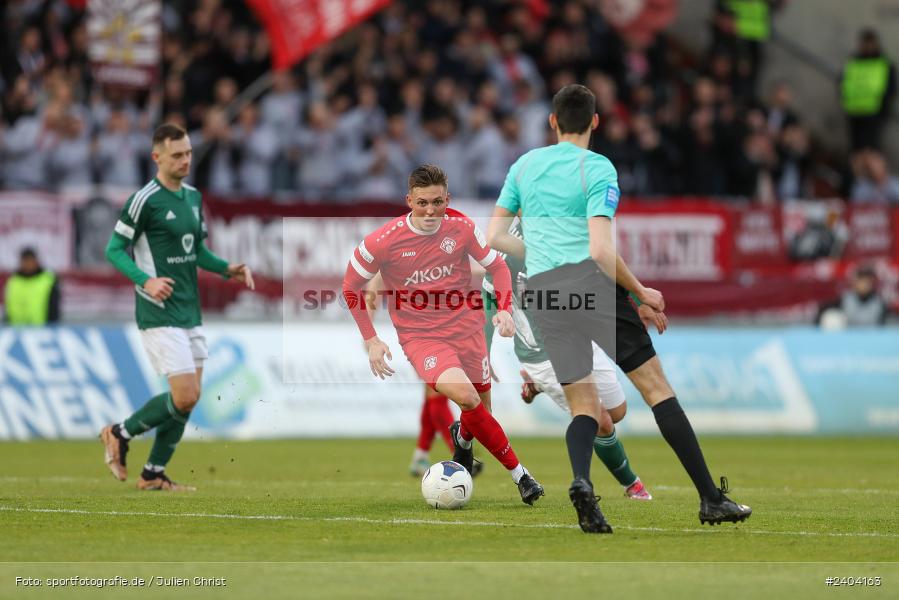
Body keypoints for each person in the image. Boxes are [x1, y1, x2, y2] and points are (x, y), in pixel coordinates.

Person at [487, 84, 751, 532]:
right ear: (595, 121)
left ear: (552, 121)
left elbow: (494, 236)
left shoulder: (524, 165)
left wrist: (542, 255)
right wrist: (641, 292)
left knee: (584, 406)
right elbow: (600, 251)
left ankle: (582, 484)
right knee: (656, 389)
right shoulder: (598, 168)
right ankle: (710, 498)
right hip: (590, 284)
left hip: (546, 292)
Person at [342, 164, 544, 505]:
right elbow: (350, 287)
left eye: (437, 202)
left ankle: (462, 439)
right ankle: (521, 475)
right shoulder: (383, 241)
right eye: (422, 203)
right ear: (409, 200)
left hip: (468, 329)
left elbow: (497, 266)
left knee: (480, 412)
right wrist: (371, 338)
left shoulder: (461, 227)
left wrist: (505, 309)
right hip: (423, 338)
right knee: (468, 398)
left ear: (447, 199)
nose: (430, 211)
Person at [99, 123, 255, 491]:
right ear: (157, 157)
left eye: (188, 153)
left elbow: (196, 250)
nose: (185, 160)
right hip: (158, 310)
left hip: (189, 309)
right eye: (177, 155)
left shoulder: (193, 198)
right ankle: (119, 433)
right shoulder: (144, 200)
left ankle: (153, 473)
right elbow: (113, 250)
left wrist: (226, 268)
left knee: (189, 399)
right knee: (184, 395)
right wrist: (146, 281)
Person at [482, 219, 654, 501]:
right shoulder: (506, 247)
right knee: (600, 419)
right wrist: (483, 350)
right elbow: (488, 295)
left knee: (617, 411)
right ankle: (632, 485)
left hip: (580, 334)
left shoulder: (565, 226)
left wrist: (638, 300)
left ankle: (535, 385)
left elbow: (602, 266)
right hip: (542, 352)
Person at [840, 28, 896, 152]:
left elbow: (890, 88)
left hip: (873, 112)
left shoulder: (884, 62)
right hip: (853, 111)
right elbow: (843, 82)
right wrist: (844, 100)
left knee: (871, 150)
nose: (868, 47)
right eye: (865, 43)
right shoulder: (853, 61)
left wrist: (884, 109)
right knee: (856, 150)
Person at [816, 265, 889, 328]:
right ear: (855, 282)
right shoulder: (845, 299)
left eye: (867, 281)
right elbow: (822, 309)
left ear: (872, 283)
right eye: (861, 280)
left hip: (872, 338)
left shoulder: (879, 303)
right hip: (848, 337)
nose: (863, 285)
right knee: (831, 318)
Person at [4, 247, 60, 325]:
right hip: (16, 328)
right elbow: (8, 306)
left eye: (30, 260)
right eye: (25, 261)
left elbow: (54, 307)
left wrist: (51, 326)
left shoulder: (48, 279)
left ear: (36, 261)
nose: (28, 264)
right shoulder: (13, 281)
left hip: (42, 328)